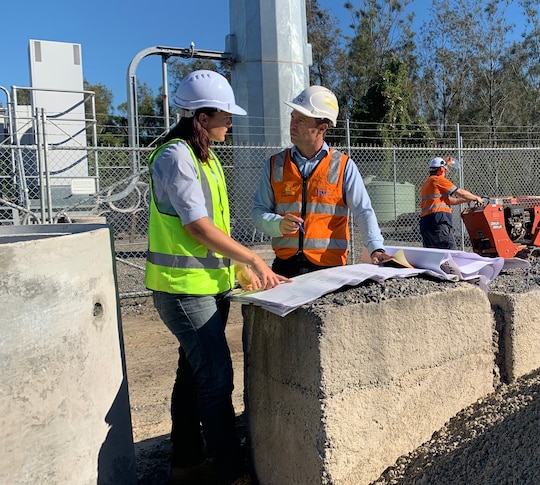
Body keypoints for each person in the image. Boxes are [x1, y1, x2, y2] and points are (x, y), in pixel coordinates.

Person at [145, 69, 289, 485]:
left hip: (209, 287)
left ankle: (187, 462)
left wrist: (237, 265)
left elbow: (215, 229)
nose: (231, 121)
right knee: (216, 378)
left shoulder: (204, 158)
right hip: (184, 292)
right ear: (201, 118)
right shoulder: (176, 156)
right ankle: (228, 472)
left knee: (193, 375)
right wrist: (256, 259)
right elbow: (197, 228)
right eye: (224, 115)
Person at [251, 85, 391, 277]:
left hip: (329, 269)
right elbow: (259, 211)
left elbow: (363, 211)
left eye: (300, 120)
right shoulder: (275, 164)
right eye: (292, 117)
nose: (292, 124)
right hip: (285, 268)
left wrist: (376, 247)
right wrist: (277, 224)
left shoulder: (343, 166)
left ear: (322, 128)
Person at [419, 156, 484, 249]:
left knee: (433, 254)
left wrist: (466, 200)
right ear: (441, 169)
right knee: (451, 252)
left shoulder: (426, 183)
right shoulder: (438, 180)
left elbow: (448, 200)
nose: (446, 172)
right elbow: (460, 192)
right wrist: (476, 197)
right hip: (438, 222)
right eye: (446, 170)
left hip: (426, 223)